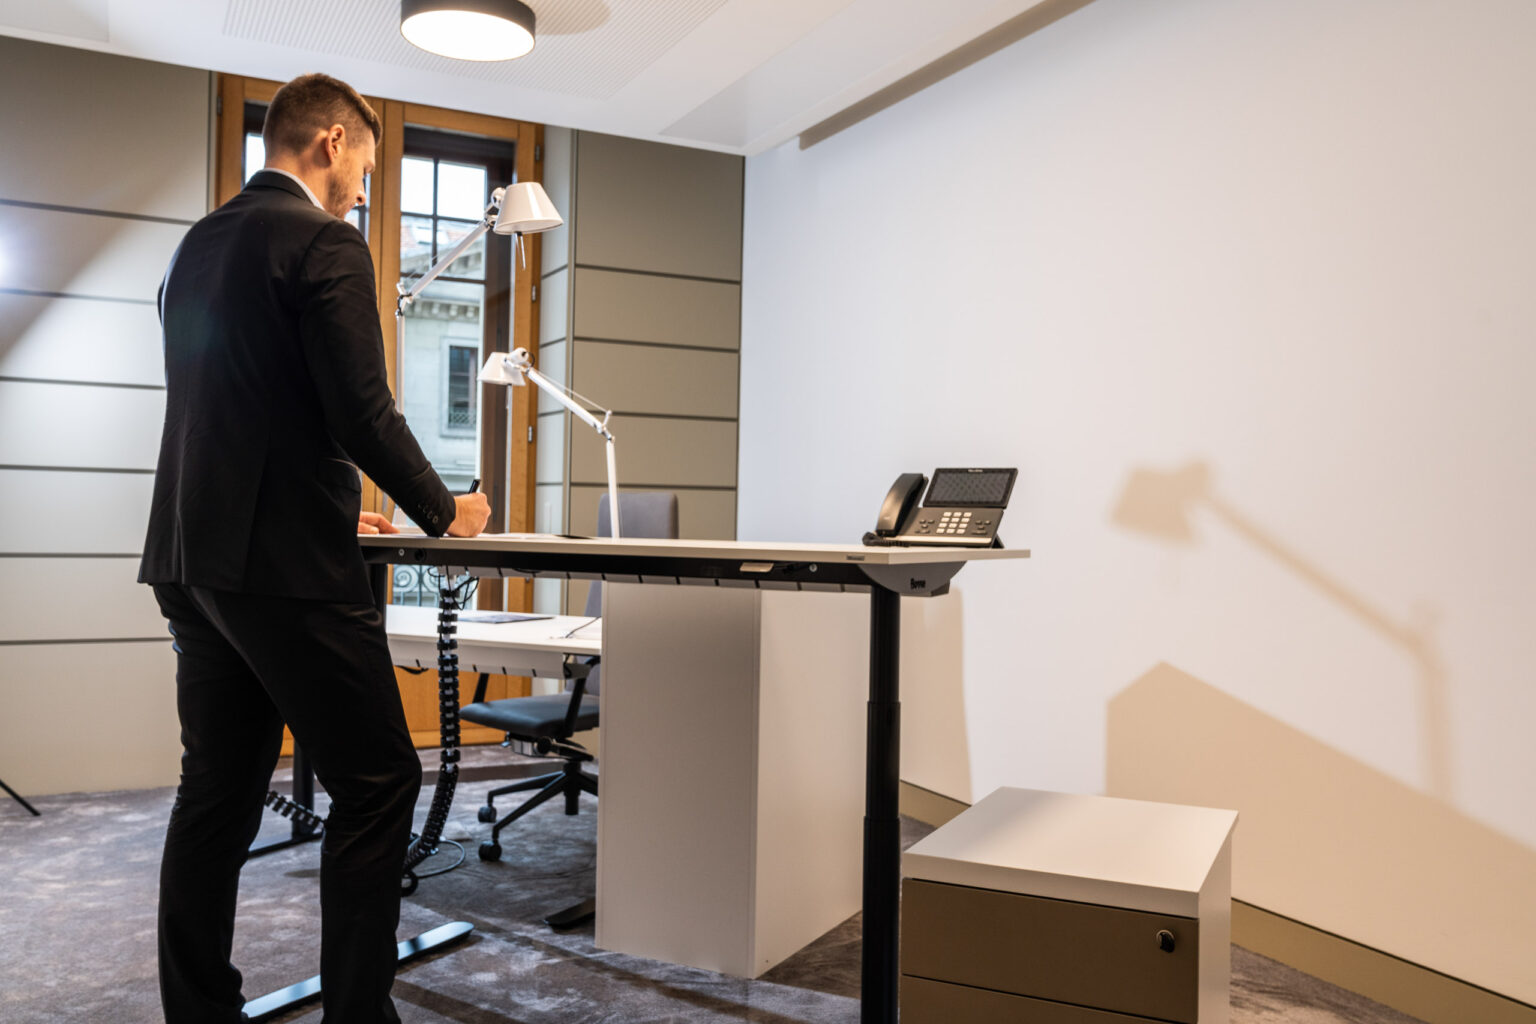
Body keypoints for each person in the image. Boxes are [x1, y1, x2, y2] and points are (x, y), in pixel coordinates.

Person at [138, 73, 491, 1024]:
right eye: (367, 167)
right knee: (380, 778)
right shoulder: (323, 242)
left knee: (216, 791)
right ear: (331, 142)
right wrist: (442, 510)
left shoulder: (193, 247)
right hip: (281, 570)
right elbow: (360, 412)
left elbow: (240, 404)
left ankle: (198, 1011)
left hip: (188, 555)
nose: (365, 191)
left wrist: (333, 509)